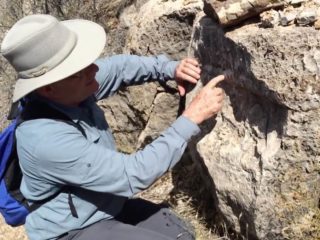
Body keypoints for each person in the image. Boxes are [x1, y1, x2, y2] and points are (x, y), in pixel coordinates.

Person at [0, 14, 225, 240]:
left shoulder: (72, 90)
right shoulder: (45, 139)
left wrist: (169, 68)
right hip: (72, 229)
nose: (94, 70)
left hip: (107, 206)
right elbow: (134, 174)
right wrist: (191, 117)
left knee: (182, 233)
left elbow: (119, 68)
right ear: (47, 88)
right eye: (79, 69)